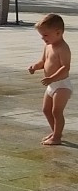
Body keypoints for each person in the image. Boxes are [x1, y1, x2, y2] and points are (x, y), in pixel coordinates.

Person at [29, 13, 72, 146]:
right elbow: (44, 61)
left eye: (46, 35)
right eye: (42, 35)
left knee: (56, 111)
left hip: (61, 85)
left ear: (58, 32)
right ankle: (55, 131)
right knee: (46, 110)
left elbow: (65, 67)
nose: (43, 38)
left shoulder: (63, 48)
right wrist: (35, 66)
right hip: (51, 85)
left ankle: (57, 137)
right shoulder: (48, 46)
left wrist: (52, 78)